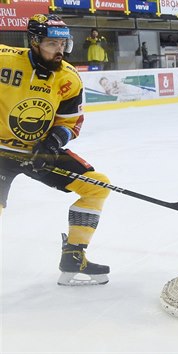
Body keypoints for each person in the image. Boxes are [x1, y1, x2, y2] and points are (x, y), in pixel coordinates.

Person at [0, 14, 111, 286]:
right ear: (34, 42)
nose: (60, 50)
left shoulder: (68, 79)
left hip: (36, 152)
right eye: (52, 44)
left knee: (97, 186)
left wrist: (51, 143)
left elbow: (70, 123)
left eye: (64, 44)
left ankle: (74, 256)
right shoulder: (4, 59)